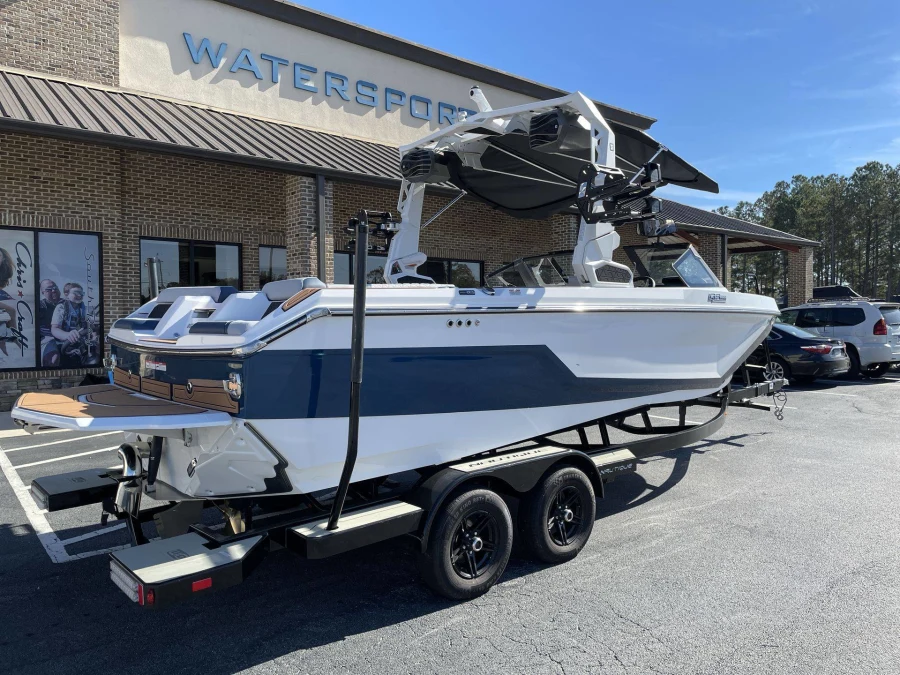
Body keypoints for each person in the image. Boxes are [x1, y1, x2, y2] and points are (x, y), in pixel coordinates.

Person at [51, 282, 95, 367]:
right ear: (66, 294)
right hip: (63, 344)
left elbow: (89, 324)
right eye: (76, 293)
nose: (80, 295)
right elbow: (54, 329)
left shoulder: (82, 308)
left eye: (82, 293)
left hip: (79, 342)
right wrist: (67, 335)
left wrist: (94, 334)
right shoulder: (61, 307)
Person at [0, 247, 19, 358]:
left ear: (3, 259)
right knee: (10, 311)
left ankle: (8, 341)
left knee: (5, 317)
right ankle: (14, 337)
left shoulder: (3, 272)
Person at [38, 279, 61, 366]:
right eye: (49, 289)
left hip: (67, 338)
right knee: (53, 359)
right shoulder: (40, 307)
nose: (54, 290)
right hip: (48, 339)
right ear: (42, 292)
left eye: (55, 288)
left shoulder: (67, 304)